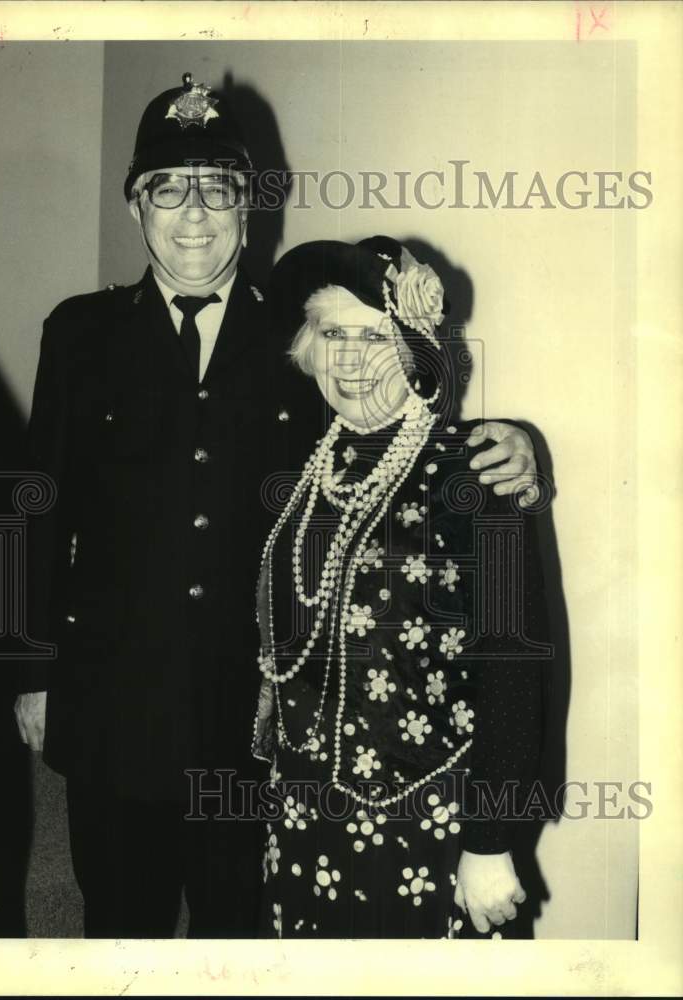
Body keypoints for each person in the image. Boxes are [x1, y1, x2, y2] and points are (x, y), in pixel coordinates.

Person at [14, 73, 540, 939]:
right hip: (112, 703)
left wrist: (508, 439)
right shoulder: (78, 333)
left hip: (251, 721)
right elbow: (39, 508)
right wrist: (31, 670)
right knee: (116, 921)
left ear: (246, 208)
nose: (194, 214)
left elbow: (388, 423)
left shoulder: (298, 333)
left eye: (217, 189)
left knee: (241, 933)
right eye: (168, 190)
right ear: (135, 207)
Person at [253, 236, 551, 938]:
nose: (350, 359)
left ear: (418, 356)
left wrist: (491, 840)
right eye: (332, 333)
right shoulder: (307, 471)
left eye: (375, 336)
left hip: (428, 827)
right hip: (302, 817)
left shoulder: (478, 474)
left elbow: (516, 672)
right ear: (309, 346)